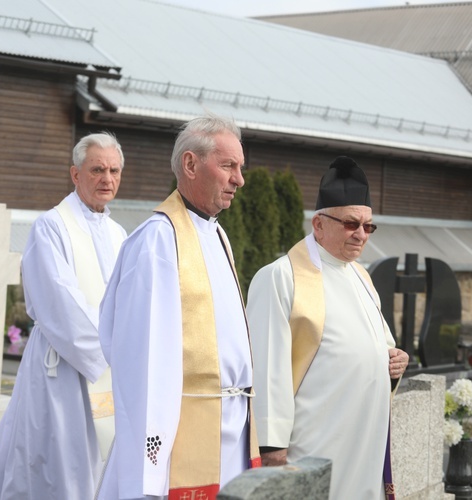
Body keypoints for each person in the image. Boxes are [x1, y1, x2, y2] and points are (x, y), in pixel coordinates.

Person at [95, 115, 261, 500]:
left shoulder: (217, 233)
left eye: (240, 168)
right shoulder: (157, 241)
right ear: (190, 165)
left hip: (231, 426)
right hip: (181, 434)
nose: (239, 179)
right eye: (228, 166)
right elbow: (145, 362)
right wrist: (149, 469)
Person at [0, 132, 127, 500]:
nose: (107, 179)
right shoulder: (52, 226)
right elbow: (59, 304)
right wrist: (111, 350)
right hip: (62, 368)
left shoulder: (120, 234)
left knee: (97, 466)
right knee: (55, 465)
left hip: (109, 366)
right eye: (97, 169)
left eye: (114, 171)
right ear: (75, 174)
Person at [246, 156, 410, 500]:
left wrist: (394, 363)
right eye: (352, 224)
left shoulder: (362, 276)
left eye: (368, 226)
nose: (362, 235)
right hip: (312, 447)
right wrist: (273, 450)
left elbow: (379, 347)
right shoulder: (281, 277)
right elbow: (267, 369)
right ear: (318, 224)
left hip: (364, 446)